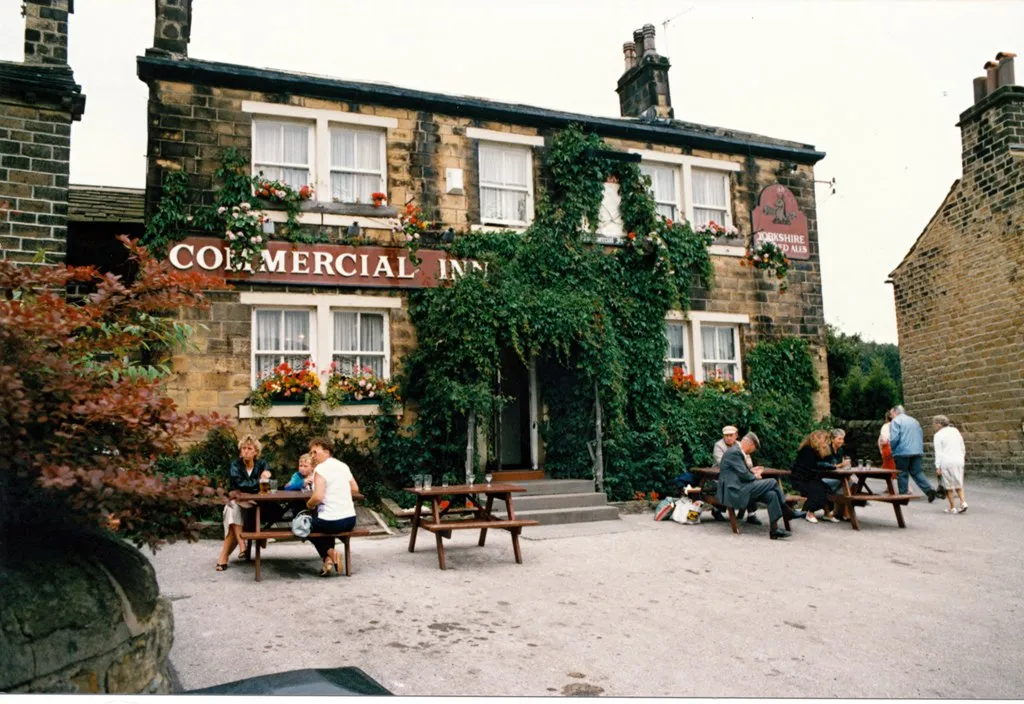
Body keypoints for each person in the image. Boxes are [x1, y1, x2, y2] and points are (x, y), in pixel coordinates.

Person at [716, 432, 795, 539]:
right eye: (754, 449)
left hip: (740, 487)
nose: (752, 452)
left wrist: (751, 471)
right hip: (735, 491)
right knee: (772, 482)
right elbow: (744, 475)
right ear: (751, 445)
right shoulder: (735, 452)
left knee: (771, 494)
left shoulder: (736, 451)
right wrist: (756, 476)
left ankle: (774, 530)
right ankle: (788, 511)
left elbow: (740, 471)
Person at [215, 434, 272, 571]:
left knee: (231, 512)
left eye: (249, 448)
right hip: (239, 505)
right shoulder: (235, 465)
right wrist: (258, 482)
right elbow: (238, 483)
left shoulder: (262, 464)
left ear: (255, 452)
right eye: (243, 448)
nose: (245, 451)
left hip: (255, 508)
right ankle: (242, 544)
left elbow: (266, 482)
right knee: (232, 507)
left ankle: (226, 556)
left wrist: (265, 477)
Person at [306, 436, 360, 577]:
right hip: (350, 520)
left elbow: (318, 496)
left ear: (327, 451)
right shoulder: (343, 466)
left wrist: (309, 504)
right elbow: (355, 489)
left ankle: (330, 553)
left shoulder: (321, 469)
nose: (312, 456)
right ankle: (328, 559)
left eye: (315, 452)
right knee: (323, 524)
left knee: (304, 526)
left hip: (331, 522)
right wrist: (338, 490)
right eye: (311, 453)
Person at [791, 430, 841, 523]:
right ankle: (810, 513)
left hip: (811, 478)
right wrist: (825, 465)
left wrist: (827, 451)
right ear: (817, 439)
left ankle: (827, 513)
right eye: (824, 439)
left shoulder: (819, 450)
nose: (826, 441)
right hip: (800, 479)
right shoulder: (807, 449)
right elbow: (812, 465)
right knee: (817, 489)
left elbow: (830, 461)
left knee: (827, 489)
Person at [889, 405, 937, 502]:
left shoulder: (896, 421)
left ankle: (903, 495)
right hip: (917, 450)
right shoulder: (914, 421)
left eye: (891, 414)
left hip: (902, 451)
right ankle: (929, 490)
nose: (891, 416)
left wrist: (892, 449)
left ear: (895, 412)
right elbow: (920, 434)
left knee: (902, 473)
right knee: (917, 472)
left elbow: (894, 438)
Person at [933, 415, 968, 514]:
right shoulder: (955, 431)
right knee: (958, 482)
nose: (934, 426)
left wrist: (938, 467)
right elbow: (962, 446)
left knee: (948, 486)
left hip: (946, 461)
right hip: (959, 459)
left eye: (935, 424)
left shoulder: (938, 435)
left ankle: (952, 507)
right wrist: (962, 457)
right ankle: (963, 502)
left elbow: (939, 452)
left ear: (939, 424)